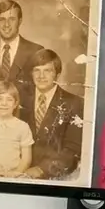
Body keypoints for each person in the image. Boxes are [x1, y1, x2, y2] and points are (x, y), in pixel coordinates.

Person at [21, 49, 84, 180]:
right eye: (37, 70)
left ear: (57, 74)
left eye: (47, 71)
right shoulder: (20, 100)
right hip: (20, 172)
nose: (41, 76)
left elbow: (72, 149)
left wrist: (41, 170)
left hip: (54, 176)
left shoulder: (74, 103)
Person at [0, 0, 45, 98]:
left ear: (20, 21)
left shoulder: (36, 51)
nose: (6, 24)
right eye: (2, 19)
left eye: (11, 19)